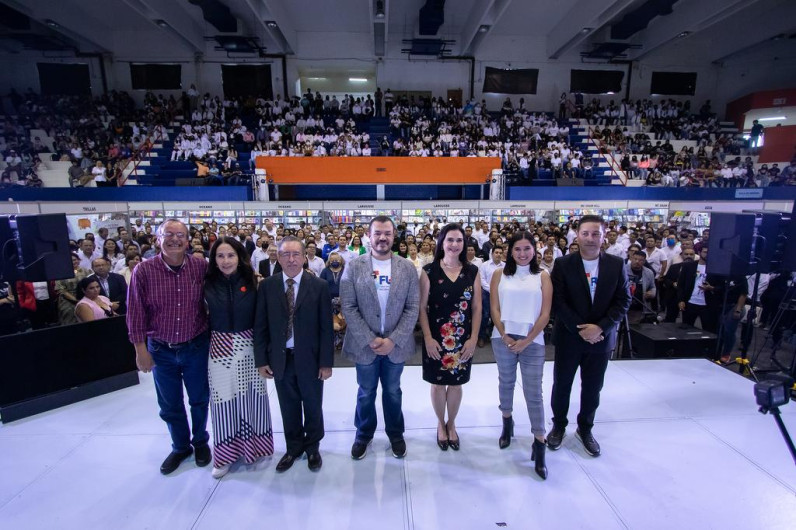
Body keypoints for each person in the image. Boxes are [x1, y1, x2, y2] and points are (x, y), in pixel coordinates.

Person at [127, 219, 212, 475]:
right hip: (161, 349)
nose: (175, 239)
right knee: (170, 403)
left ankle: (199, 442)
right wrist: (140, 351)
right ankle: (180, 446)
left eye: (181, 235)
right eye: (169, 234)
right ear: (157, 239)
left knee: (199, 399)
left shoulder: (200, 267)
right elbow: (135, 313)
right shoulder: (143, 271)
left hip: (195, 344)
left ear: (188, 241)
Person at [548, 215, 630, 457]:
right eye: (586, 234)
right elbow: (558, 302)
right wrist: (582, 329)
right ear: (577, 235)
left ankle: (585, 429)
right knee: (562, 385)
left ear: (604, 236)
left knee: (593, 388)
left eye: (596, 234)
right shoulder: (563, 264)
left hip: (601, 339)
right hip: (570, 338)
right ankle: (559, 426)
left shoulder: (616, 264)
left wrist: (601, 327)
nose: (591, 238)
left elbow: (623, 300)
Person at [340, 216, 420, 460]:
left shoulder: (406, 267)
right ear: (369, 235)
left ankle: (395, 434)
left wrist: (394, 339)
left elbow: (413, 306)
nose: (382, 238)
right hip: (365, 346)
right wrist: (369, 338)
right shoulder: (354, 266)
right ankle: (363, 434)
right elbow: (348, 305)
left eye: (387, 233)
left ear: (393, 236)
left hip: (396, 345)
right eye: (378, 233)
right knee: (366, 391)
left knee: (393, 391)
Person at [254, 236, 333, 473]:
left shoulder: (318, 286)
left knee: (312, 404)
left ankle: (312, 447)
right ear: (277, 257)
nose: (290, 259)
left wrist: (326, 362)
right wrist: (261, 360)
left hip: (309, 358)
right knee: (288, 406)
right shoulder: (267, 286)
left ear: (304, 257)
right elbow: (261, 326)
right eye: (285, 254)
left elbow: (326, 328)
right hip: (281, 358)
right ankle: (293, 447)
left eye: (295, 254)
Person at [204, 237, 273, 479]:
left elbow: (262, 320)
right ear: (213, 259)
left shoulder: (254, 282)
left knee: (252, 399)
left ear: (239, 256)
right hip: (219, 347)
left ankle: (255, 448)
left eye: (230, 255)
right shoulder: (206, 283)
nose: (225, 261)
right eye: (220, 256)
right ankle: (224, 456)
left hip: (249, 347)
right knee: (223, 402)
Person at [490, 232, 552, 479]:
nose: (522, 254)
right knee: (505, 382)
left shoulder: (543, 276)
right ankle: (507, 422)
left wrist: (527, 340)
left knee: (533, 392)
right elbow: (494, 307)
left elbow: (545, 313)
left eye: (527, 249)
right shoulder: (499, 274)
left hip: (533, 341)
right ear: (510, 251)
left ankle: (539, 440)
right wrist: (504, 334)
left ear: (534, 250)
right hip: (502, 338)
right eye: (517, 249)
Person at [418, 223, 481, 451]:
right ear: (441, 243)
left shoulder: (472, 271)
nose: (454, 245)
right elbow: (422, 308)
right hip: (436, 338)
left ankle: (451, 423)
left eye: (459, 240)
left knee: (456, 384)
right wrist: (427, 337)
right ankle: (439, 424)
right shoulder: (428, 271)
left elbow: (476, 308)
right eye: (450, 240)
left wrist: (474, 338)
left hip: (462, 339)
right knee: (437, 384)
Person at [478, 245, 505, 347]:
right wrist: (492, 290)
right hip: (487, 293)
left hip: (501, 294)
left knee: (500, 316)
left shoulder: (505, 266)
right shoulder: (485, 265)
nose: (498, 254)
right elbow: (482, 280)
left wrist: (498, 291)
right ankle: (482, 337)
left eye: (500, 253)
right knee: (485, 315)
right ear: (492, 254)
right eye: (496, 252)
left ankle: (499, 336)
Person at [54, 253, 91, 326]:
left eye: (75, 260)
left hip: (86, 296)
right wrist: (76, 300)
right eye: (70, 261)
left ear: (79, 260)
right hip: (68, 299)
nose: (73, 262)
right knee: (69, 319)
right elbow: (61, 290)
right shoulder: (61, 272)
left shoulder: (86, 271)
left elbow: (92, 284)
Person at [320, 252, 346, 349]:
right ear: (329, 261)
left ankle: (342, 343)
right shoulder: (325, 271)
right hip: (328, 301)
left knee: (342, 322)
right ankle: (331, 343)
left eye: (337, 260)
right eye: (333, 260)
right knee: (331, 322)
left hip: (343, 300)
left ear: (341, 261)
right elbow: (321, 285)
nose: (335, 261)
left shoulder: (345, 270)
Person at [624, 251, 657, 324]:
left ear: (644, 261)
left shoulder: (649, 272)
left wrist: (652, 293)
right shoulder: (623, 270)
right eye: (635, 259)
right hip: (625, 305)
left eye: (640, 260)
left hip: (640, 305)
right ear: (631, 258)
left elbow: (653, 287)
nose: (637, 262)